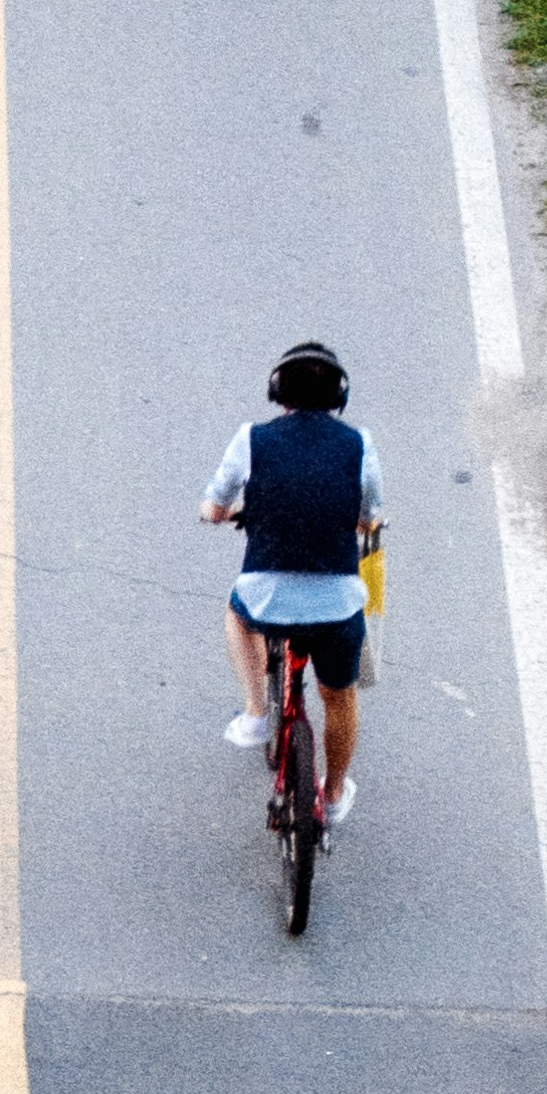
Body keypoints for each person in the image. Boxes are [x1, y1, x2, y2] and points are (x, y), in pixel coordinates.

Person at [202, 337, 382, 823]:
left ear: (276, 391)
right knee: (339, 697)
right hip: (337, 606)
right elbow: (369, 516)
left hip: (266, 597)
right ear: (340, 395)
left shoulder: (251, 439)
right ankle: (334, 793)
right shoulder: (359, 445)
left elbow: (215, 505)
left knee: (238, 615)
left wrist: (220, 513)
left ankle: (256, 713)